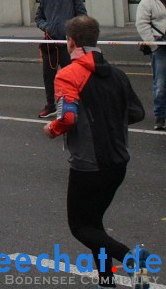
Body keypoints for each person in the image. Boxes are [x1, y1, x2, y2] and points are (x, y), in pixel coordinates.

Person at [43, 15, 149, 289]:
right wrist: (108, 119)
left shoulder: (68, 74)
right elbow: (137, 112)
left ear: (71, 41)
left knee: (80, 227)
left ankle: (131, 258)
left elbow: (67, 118)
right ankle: (106, 279)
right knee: (95, 225)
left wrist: (52, 129)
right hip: (118, 161)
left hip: (88, 164)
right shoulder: (117, 74)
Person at [34, 0, 87, 118]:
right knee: (48, 76)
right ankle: (51, 105)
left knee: (71, 75)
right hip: (50, 44)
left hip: (67, 43)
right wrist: (46, 27)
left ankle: (77, 103)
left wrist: (73, 31)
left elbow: (82, 14)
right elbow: (38, 17)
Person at [134, 0, 166, 131]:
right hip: (160, 47)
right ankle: (160, 116)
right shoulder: (148, 0)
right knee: (160, 84)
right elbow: (141, 24)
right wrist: (153, 44)